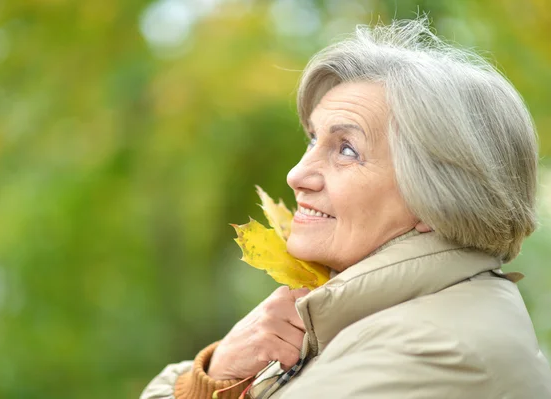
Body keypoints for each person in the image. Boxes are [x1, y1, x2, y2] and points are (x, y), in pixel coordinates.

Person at [140, 17, 551, 399]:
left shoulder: (429, 350)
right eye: (311, 139)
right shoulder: (372, 319)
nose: (297, 175)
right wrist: (219, 371)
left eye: (347, 150)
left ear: (439, 196)